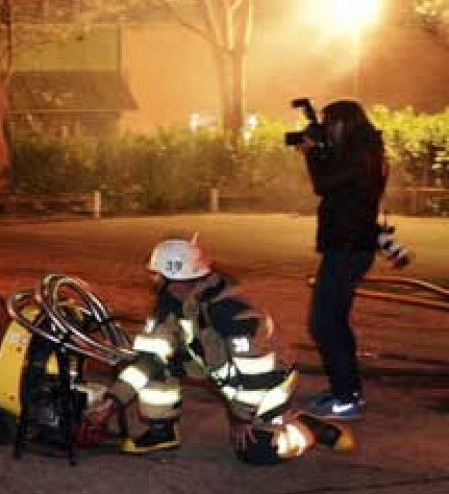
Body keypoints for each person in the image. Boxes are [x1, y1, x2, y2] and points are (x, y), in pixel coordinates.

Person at [83, 237, 354, 464]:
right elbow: (146, 361)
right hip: (226, 374)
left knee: (257, 451)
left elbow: (257, 376)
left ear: (174, 278)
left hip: (269, 381)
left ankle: (310, 429)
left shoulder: (232, 312)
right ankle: (161, 430)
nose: (151, 279)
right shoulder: (171, 306)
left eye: (156, 274)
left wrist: (240, 417)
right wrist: (111, 403)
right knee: (156, 363)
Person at [299, 100, 387, 421]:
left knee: (324, 322)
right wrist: (321, 152)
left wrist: (312, 154)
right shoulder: (363, 150)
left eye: (330, 125)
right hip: (349, 245)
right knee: (333, 320)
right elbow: (335, 183)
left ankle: (346, 396)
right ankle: (345, 390)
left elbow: (324, 185)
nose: (327, 131)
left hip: (348, 246)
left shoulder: (360, 152)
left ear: (343, 124)